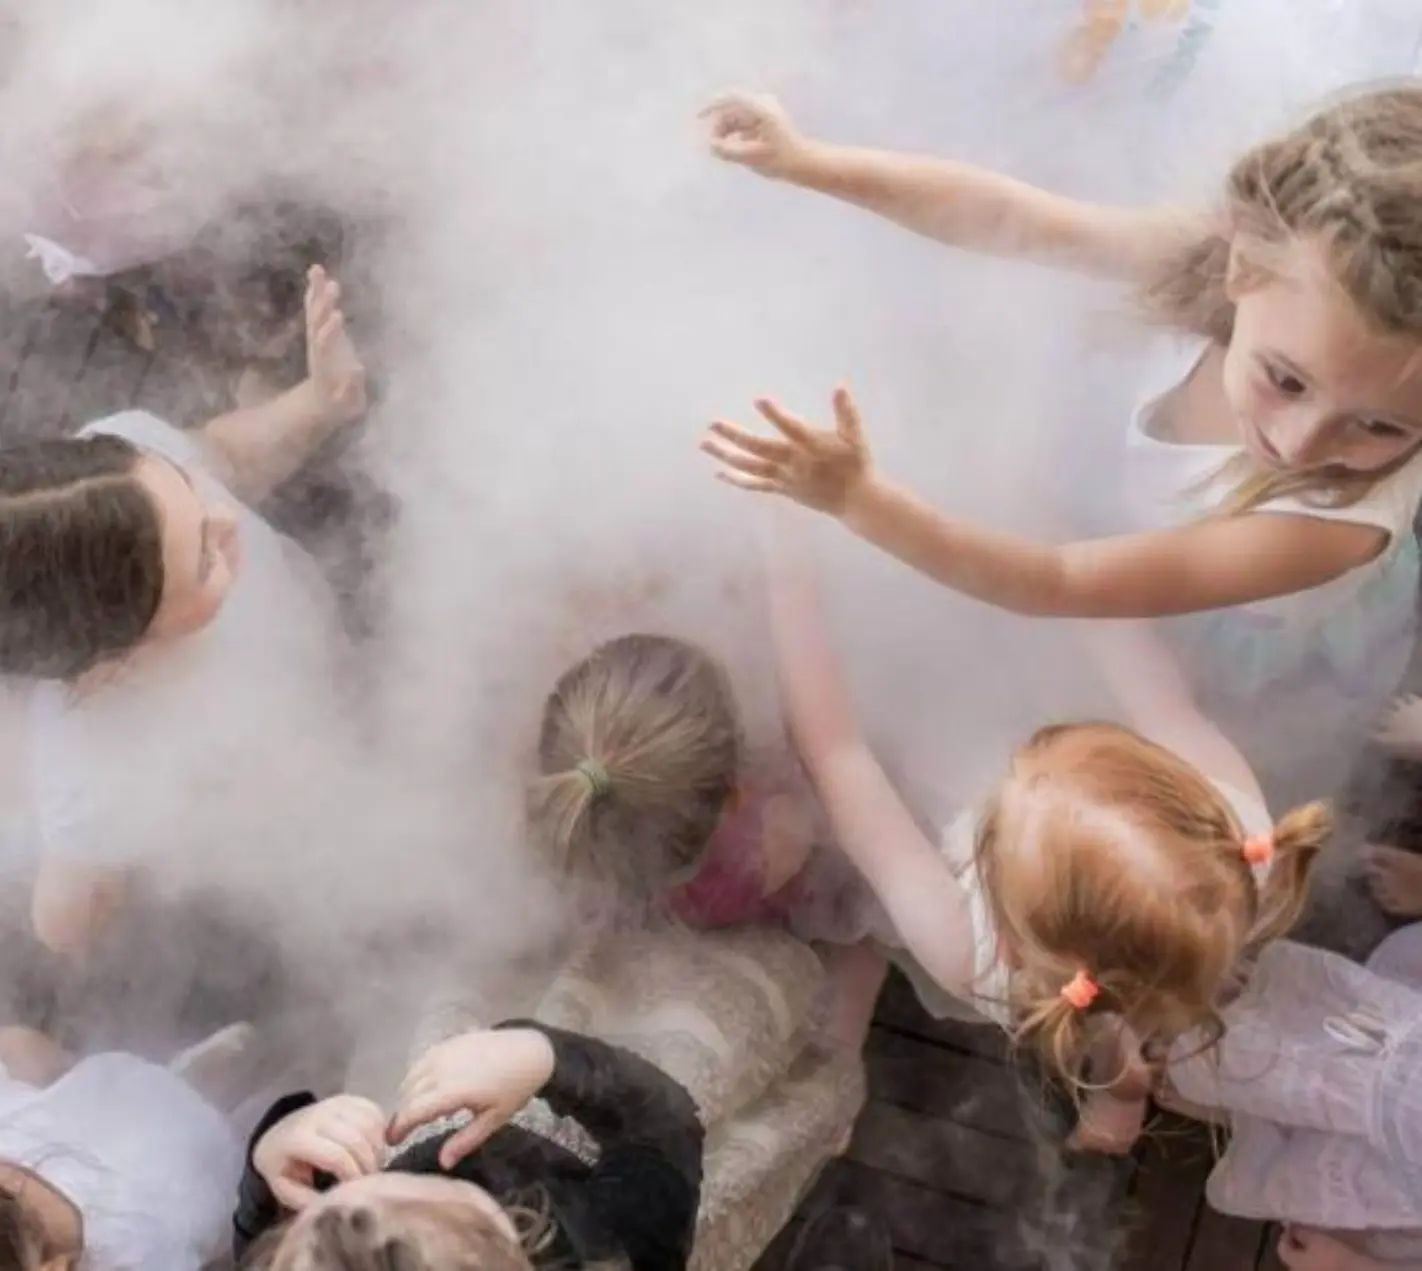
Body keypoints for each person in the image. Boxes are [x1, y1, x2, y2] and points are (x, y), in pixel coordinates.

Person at [698, 84, 1422, 796]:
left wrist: (859, 499)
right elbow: (1005, 216)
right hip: (1138, 553)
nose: (1299, 443)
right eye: (1286, 380)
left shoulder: (1334, 528)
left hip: (1233, 636)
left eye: (1382, 427)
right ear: (1243, 268)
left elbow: (1059, 582)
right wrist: (806, 161)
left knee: (1218, 740)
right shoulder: (1227, 259)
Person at [759, 509, 1329, 1153]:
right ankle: (1122, 1084)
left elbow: (838, 753)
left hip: (1081, 984)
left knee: (872, 928)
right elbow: (1154, 684)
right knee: (1136, 996)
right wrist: (1050, 528)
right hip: (1144, 975)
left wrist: (788, 569)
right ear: (1166, 781)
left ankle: (1117, 1074)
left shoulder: (964, 950)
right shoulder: (1237, 840)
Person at [13, 265, 366, 961]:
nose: (226, 518)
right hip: (295, 825)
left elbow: (222, 453)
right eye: (203, 558)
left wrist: (319, 400)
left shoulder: (124, 449)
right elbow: (62, 923)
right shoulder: (97, 772)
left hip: (329, 673)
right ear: (119, 653)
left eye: (188, 492)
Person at [234, 1023, 704, 1271]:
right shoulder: (608, 1246)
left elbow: (253, 1245)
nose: (379, 1177)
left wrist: (271, 1163)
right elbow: (665, 1125)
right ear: (510, 1246)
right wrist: (542, 1054)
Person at [528, 632, 870, 940]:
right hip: (746, 904)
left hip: (661, 905)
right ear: (735, 794)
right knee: (863, 947)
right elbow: (815, 825)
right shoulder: (763, 853)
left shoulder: (571, 818)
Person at [0, 1021, 257, 1270]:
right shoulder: (142, 1247)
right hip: (158, 1185)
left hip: (84, 1127)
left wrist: (55, 1063)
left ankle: (183, 1079)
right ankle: (200, 1086)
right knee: (192, 1158)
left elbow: (16, 1044)